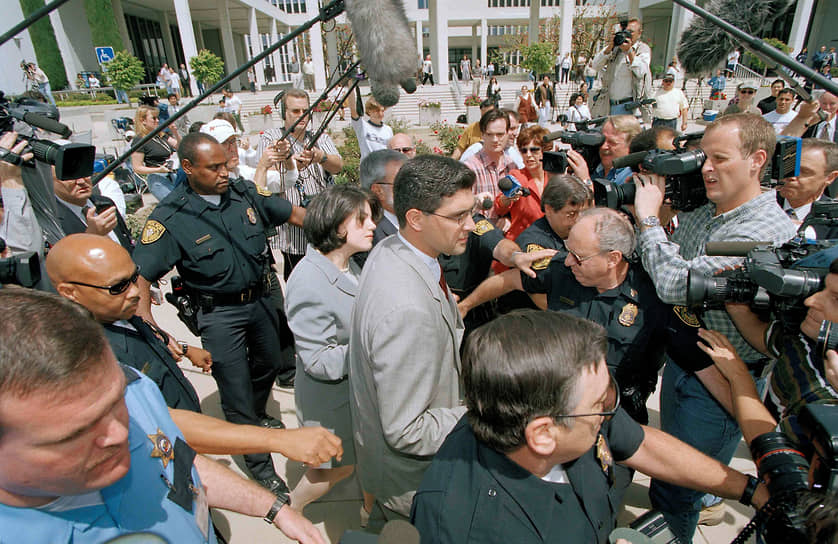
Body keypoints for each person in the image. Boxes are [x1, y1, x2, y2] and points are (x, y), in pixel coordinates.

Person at [410, 310, 769, 544]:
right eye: (600, 404)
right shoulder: (469, 530)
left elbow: (643, 445)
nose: (609, 410)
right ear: (543, 434)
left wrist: (750, 490)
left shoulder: (573, 410)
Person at [0, 289, 328, 544]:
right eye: (74, 433)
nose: (117, 432)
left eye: (115, 401)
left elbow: (178, 461)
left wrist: (274, 509)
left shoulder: (134, 389)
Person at [632, 112, 798, 542]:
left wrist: (649, 218)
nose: (707, 168)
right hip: (684, 359)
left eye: (720, 159)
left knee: (677, 491)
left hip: (722, 380)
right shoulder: (707, 210)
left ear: (757, 160)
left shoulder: (765, 230)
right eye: (704, 156)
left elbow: (674, 283)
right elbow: (667, 260)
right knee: (675, 473)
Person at [132, 133, 306, 496]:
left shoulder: (243, 194)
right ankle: (260, 464)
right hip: (219, 315)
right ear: (188, 168)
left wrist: (340, 230)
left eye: (225, 164)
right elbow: (141, 277)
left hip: (260, 302)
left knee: (270, 364)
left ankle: (254, 415)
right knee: (236, 390)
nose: (224, 173)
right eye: (213, 168)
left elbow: (292, 214)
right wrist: (150, 328)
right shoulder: (171, 217)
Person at [347, 155, 474, 529]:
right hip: (414, 484)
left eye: (472, 211)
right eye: (458, 216)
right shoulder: (407, 311)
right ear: (416, 218)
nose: (471, 225)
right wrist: (484, 411)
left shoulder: (393, 248)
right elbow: (406, 430)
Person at [459, 207, 670, 424]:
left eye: (579, 258)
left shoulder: (653, 298)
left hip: (618, 416)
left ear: (613, 259)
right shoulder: (561, 270)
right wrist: (465, 306)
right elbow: (510, 280)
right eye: (569, 250)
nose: (568, 261)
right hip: (555, 409)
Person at [286, 185, 379, 521]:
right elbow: (318, 360)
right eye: (362, 219)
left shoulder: (347, 265)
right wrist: (373, 346)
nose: (372, 226)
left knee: (361, 459)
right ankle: (289, 509)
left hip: (353, 392)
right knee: (335, 469)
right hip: (331, 400)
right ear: (339, 226)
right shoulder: (309, 282)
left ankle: (370, 510)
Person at [258, 88, 343, 278]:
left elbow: (338, 165)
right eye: (295, 111)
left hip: (323, 222)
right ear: (284, 113)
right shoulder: (272, 138)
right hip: (293, 229)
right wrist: (293, 164)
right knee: (299, 279)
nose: (302, 116)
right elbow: (267, 177)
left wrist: (320, 157)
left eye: (305, 111)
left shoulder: (320, 137)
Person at [51, 160, 134, 253]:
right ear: (49, 181)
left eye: (83, 172)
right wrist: (91, 237)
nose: (81, 181)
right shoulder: (52, 220)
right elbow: (62, 263)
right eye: (69, 177)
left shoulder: (105, 203)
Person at [493, 125, 550, 244]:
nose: (528, 155)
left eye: (534, 150)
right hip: (520, 243)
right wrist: (507, 198)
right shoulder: (517, 176)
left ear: (544, 151)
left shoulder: (553, 177)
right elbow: (499, 206)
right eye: (524, 151)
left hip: (548, 243)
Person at [590, 18, 652, 121]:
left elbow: (641, 73)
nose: (627, 34)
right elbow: (595, 65)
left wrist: (629, 51)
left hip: (628, 106)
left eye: (631, 32)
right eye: (625, 31)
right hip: (608, 105)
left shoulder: (642, 49)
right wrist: (610, 47)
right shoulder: (615, 49)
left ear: (639, 33)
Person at [777, 139, 838, 237]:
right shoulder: (759, 206)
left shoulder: (833, 222)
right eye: (789, 168)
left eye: (804, 172)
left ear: (830, 178)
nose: (791, 176)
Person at [463, 109, 515, 223]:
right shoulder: (469, 168)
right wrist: (475, 201)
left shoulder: (512, 166)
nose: (495, 140)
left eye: (500, 134)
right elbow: (457, 206)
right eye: (490, 134)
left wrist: (508, 219)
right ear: (482, 135)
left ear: (508, 133)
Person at [566, 114, 640, 187]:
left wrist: (586, 181)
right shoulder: (595, 167)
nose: (603, 147)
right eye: (602, 140)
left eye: (612, 142)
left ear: (631, 144)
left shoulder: (632, 177)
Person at [131, 104, 179, 201]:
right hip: (157, 178)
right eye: (153, 118)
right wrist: (158, 169)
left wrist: (175, 132)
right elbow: (137, 168)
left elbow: (180, 146)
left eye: (158, 118)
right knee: (174, 206)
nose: (157, 121)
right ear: (143, 120)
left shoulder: (160, 135)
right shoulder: (139, 140)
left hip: (171, 174)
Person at [359, 149, 407, 246]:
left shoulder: (422, 219)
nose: (413, 187)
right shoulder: (370, 236)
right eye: (404, 183)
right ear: (378, 191)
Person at [348, 90, 393, 160]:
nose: (380, 114)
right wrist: (350, 83)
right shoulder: (362, 126)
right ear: (369, 111)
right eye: (377, 111)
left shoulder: (388, 130)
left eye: (382, 110)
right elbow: (353, 109)